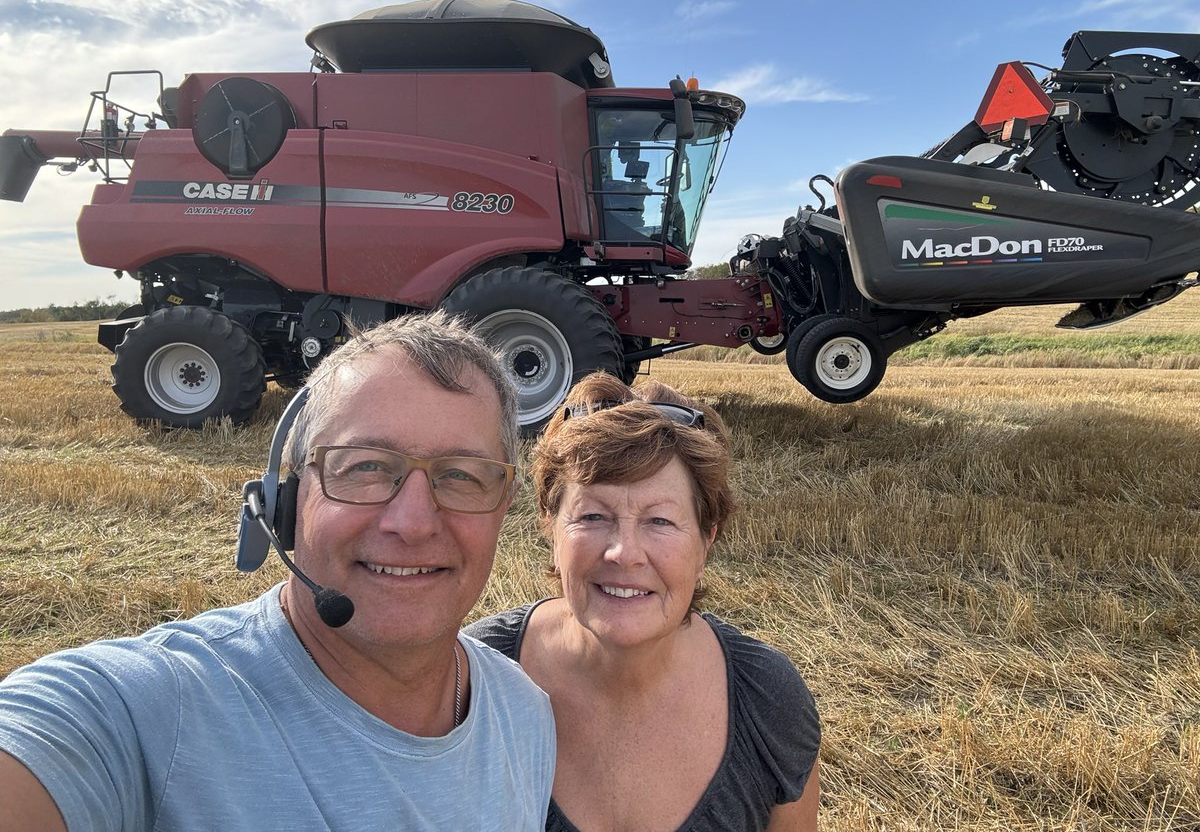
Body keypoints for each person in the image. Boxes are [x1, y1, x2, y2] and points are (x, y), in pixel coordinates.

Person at [0, 311, 556, 831]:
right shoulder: (148, 710)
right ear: (282, 501)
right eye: (364, 466)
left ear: (503, 505)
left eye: (461, 475)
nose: (412, 523)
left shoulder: (523, 714)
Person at [465, 372, 821, 831]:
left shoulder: (768, 701)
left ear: (706, 539)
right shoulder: (472, 680)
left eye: (660, 521)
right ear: (550, 527)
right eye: (593, 515)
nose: (624, 553)